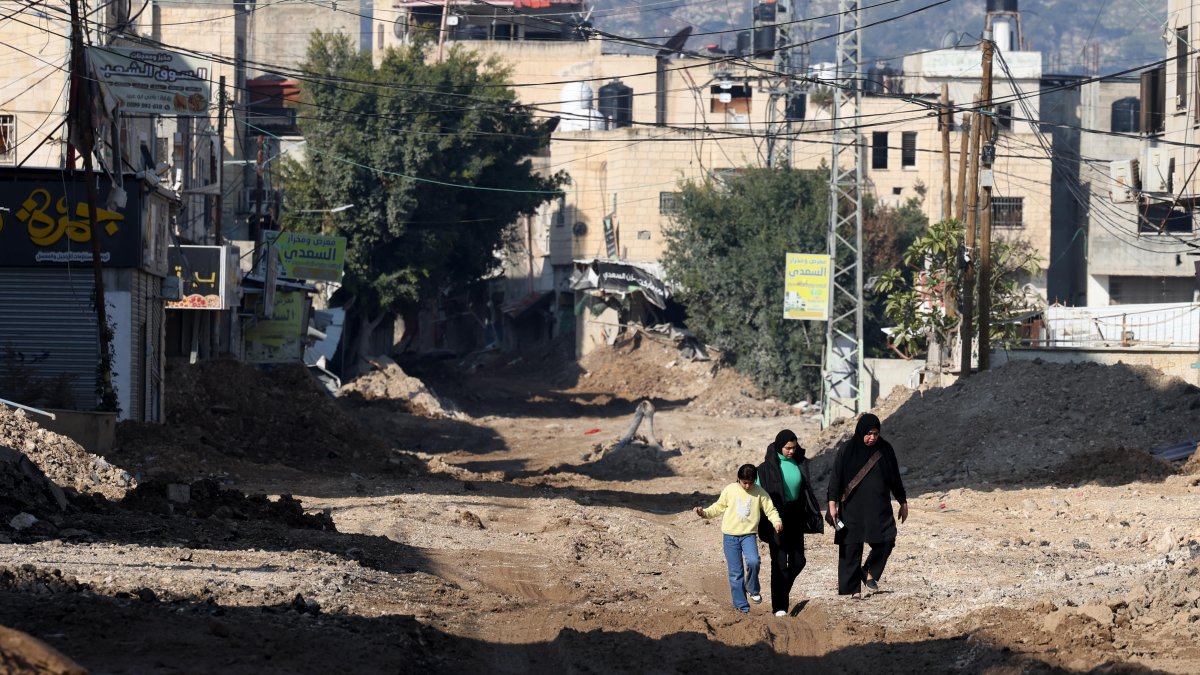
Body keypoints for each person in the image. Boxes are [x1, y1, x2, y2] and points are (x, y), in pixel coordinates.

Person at [825, 413, 908, 599]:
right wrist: (832, 505)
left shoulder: (885, 449)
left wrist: (903, 502)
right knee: (851, 546)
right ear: (861, 431)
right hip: (852, 507)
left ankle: (868, 570)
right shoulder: (847, 449)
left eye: (876, 433)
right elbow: (835, 479)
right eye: (869, 433)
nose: (872, 437)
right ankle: (853, 589)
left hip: (879, 507)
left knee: (887, 539)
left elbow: (895, 477)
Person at [693, 464, 782, 614]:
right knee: (736, 573)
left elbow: (770, 510)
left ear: (755, 480)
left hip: (748, 536)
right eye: (744, 482)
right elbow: (717, 507)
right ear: (738, 478)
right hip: (730, 537)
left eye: (750, 483)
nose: (747, 486)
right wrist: (704, 513)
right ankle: (742, 608)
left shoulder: (760, 492)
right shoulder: (730, 490)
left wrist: (777, 521)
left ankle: (752, 589)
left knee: (754, 561)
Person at [756, 429, 823, 617]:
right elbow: (756, 495)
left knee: (799, 561)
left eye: (793, 447)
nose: (791, 451)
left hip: (795, 516)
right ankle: (779, 606)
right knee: (779, 564)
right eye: (787, 448)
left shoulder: (799, 462)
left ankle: (782, 591)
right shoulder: (764, 468)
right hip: (775, 517)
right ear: (779, 446)